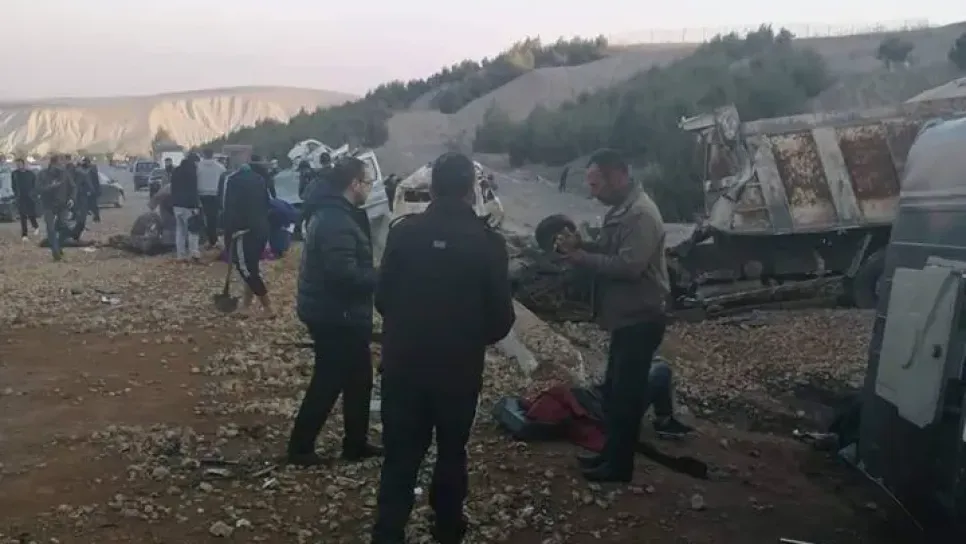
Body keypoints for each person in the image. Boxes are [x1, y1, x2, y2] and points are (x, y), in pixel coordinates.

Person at [371, 152, 515, 544]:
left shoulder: (403, 233)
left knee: (400, 454)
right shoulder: (489, 243)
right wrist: (467, 339)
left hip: (403, 366)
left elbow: (382, 298)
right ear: (470, 190)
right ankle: (448, 527)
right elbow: (502, 319)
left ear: (432, 189)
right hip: (458, 370)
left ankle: (388, 531)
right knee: (453, 451)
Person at [554, 148, 669, 483]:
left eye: (596, 184)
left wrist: (581, 258)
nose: (593, 192)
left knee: (627, 398)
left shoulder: (641, 214)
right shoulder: (623, 210)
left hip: (641, 318)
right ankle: (609, 456)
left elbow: (629, 266)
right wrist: (583, 244)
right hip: (627, 317)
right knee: (616, 394)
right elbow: (611, 249)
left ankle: (619, 468)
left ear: (617, 176)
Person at [287, 156, 382, 467]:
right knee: (328, 380)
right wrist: (382, 276)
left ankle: (355, 443)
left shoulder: (336, 213)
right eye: (368, 183)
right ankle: (300, 448)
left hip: (336, 312)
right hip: (335, 315)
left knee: (359, 379)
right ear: (354, 184)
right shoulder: (336, 221)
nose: (370, 188)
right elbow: (343, 275)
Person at [222, 160, 273, 316]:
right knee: (251, 267)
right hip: (261, 228)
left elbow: (228, 207)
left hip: (243, 232)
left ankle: (268, 308)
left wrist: (229, 233)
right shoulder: (260, 180)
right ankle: (245, 307)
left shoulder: (233, 181)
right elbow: (267, 203)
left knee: (246, 269)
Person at [37, 156, 75, 262]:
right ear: (52, 164)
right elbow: (38, 189)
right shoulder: (42, 174)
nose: (61, 167)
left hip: (63, 205)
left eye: (62, 165)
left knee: (63, 226)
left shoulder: (65, 173)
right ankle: (56, 252)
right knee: (50, 228)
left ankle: (59, 244)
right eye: (59, 165)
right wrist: (51, 186)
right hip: (48, 205)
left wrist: (72, 198)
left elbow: (73, 187)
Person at [170, 156, 202, 262]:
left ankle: (181, 254)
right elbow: (193, 191)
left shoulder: (176, 171)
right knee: (193, 231)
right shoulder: (192, 173)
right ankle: (193, 253)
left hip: (176, 206)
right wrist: (196, 206)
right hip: (189, 207)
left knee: (180, 231)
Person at [197, 148, 226, 249]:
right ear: (213, 154)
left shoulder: (198, 167)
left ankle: (207, 240)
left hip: (201, 195)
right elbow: (224, 178)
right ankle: (213, 239)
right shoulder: (220, 167)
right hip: (215, 195)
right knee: (213, 218)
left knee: (202, 219)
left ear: (203, 154)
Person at [69, 158, 99, 240]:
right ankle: (75, 236)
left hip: (72, 197)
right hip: (82, 197)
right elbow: (90, 186)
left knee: (77, 216)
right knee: (82, 218)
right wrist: (92, 192)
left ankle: (73, 234)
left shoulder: (73, 172)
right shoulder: (84, 174)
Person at [11, 158, 39, 241]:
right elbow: (13, 185)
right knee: (22, 215)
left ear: (23, 164)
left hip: (30, 197)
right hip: (20, 197)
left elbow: (35, 185)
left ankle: (35, 226)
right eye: (17, 164)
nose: (18, 165)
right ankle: (24, 235)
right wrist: (16, 194)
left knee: (31, 214)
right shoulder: (14, 173)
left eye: (20, 164)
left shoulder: (30, 174)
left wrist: (34, 194)